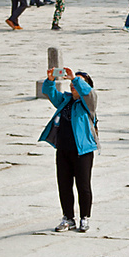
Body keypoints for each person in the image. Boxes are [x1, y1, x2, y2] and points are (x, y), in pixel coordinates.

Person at [41, 65, 97, 231]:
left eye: (79, 81)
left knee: (83, 186)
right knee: (64, 185)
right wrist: (50, 80)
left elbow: (88, 92)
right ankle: (68, 218)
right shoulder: (65, 100)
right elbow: (49, 92)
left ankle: (85, 218)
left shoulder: (89, 103)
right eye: (72, 81)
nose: (73, 84)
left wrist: (75, 78)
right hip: (63, 150)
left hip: (83, 151)